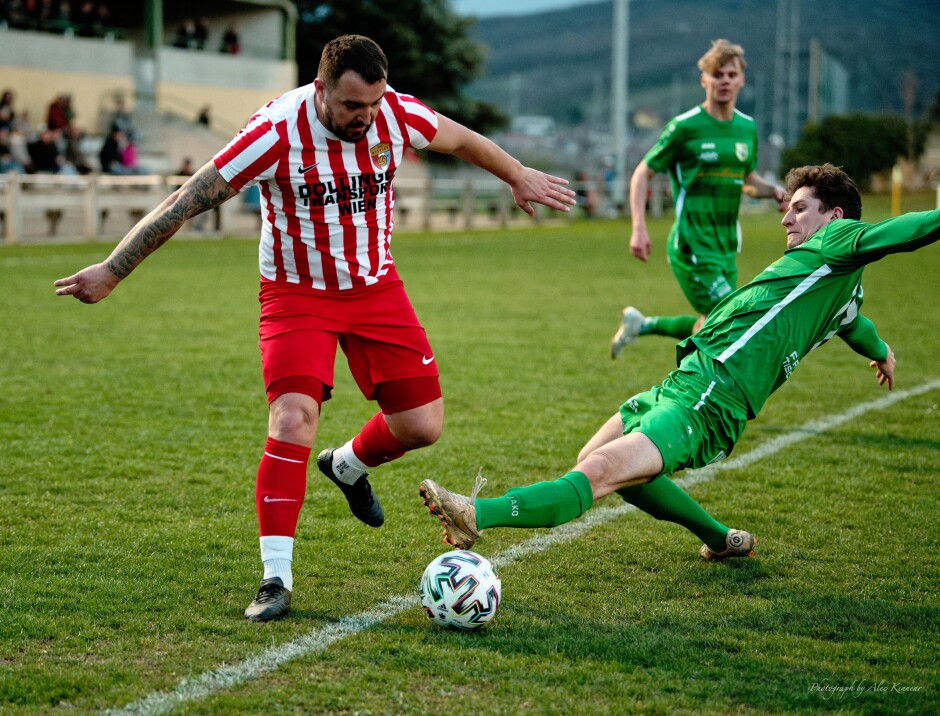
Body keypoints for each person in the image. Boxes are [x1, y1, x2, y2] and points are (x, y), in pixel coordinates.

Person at [53, 34, 575, 622]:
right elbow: (186, 200)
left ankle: (347, 465)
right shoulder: (275, 132)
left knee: (421, 426)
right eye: (354, 106)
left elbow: (460, 139)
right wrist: (113, 269)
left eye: (374, 104)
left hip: (376, 288)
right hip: (296, 296)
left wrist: (517, 174)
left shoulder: (395, 114)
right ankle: (276, 578)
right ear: (321, 89)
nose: (367, 118)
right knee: (293, 418)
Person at [421, 163, 939, 562]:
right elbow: (857, 325)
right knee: (594, 457)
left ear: (835, 217)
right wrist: (883, 353)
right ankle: (721, 539)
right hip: (689, 378)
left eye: (800, 208)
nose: (786, 216)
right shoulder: (841, 288)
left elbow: (904, 231)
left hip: (715, 392)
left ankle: (476, 514)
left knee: (600, 472)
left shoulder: (840, 240)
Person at [610, 39, 787, 359]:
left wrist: (772, 190)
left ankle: (642, 325)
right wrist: (639, 227)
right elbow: (642, 174)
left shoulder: (747, 128)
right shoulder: (684, 127)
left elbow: (746, 179)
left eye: (731, 75)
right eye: (717, 74)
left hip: (726, 246)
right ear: (704, 80)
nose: (725, 81)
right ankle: (685, 393)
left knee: (713, 322)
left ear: (741, 80)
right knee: (733, 320)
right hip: (692, 244)